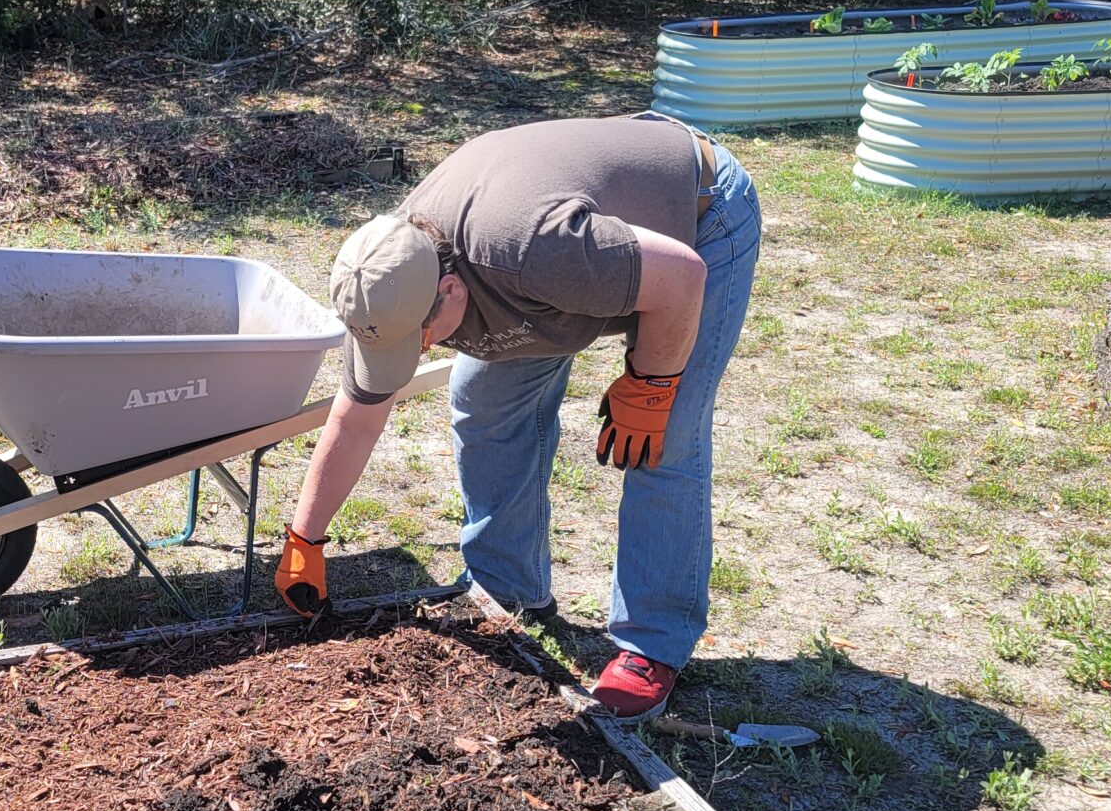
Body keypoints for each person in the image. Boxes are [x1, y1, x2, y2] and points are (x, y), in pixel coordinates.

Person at [271, 113, 760, 720]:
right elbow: (356, 419)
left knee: (664, 439)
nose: (416, 352)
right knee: (485, 401)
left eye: (420, 339)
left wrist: (651, 385)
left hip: (694, 220)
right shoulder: (384, 279)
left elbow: (682, 277)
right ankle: (507, 589)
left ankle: (651, 647)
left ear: (451, 290)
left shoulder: (533, 249)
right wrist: (305, 538)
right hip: (565, 269)